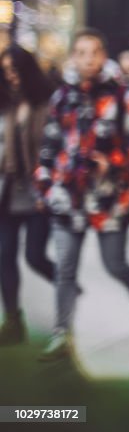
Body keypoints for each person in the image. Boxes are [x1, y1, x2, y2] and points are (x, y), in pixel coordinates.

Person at [35, 28, 129, 361]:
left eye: (94, 52)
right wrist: (45, 183)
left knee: (114, 264)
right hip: (70, 196)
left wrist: (113, 163)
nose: (88, 59)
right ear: (73, 57)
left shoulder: (124, 95)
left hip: (110, 199)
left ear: (104, 56)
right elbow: (50, 143)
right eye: (81, 53)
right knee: (64, 269)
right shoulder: (62, 97)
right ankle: (63, 334)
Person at [0, 46, 57, 345]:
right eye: (6, 70)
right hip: (9, 193)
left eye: (15, 70)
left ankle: (67, 288)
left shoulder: (46, 104)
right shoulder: (6, 104)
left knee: (35, 257)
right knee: (3, 256)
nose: (11, 76)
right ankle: (13, 320)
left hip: (38, 192)